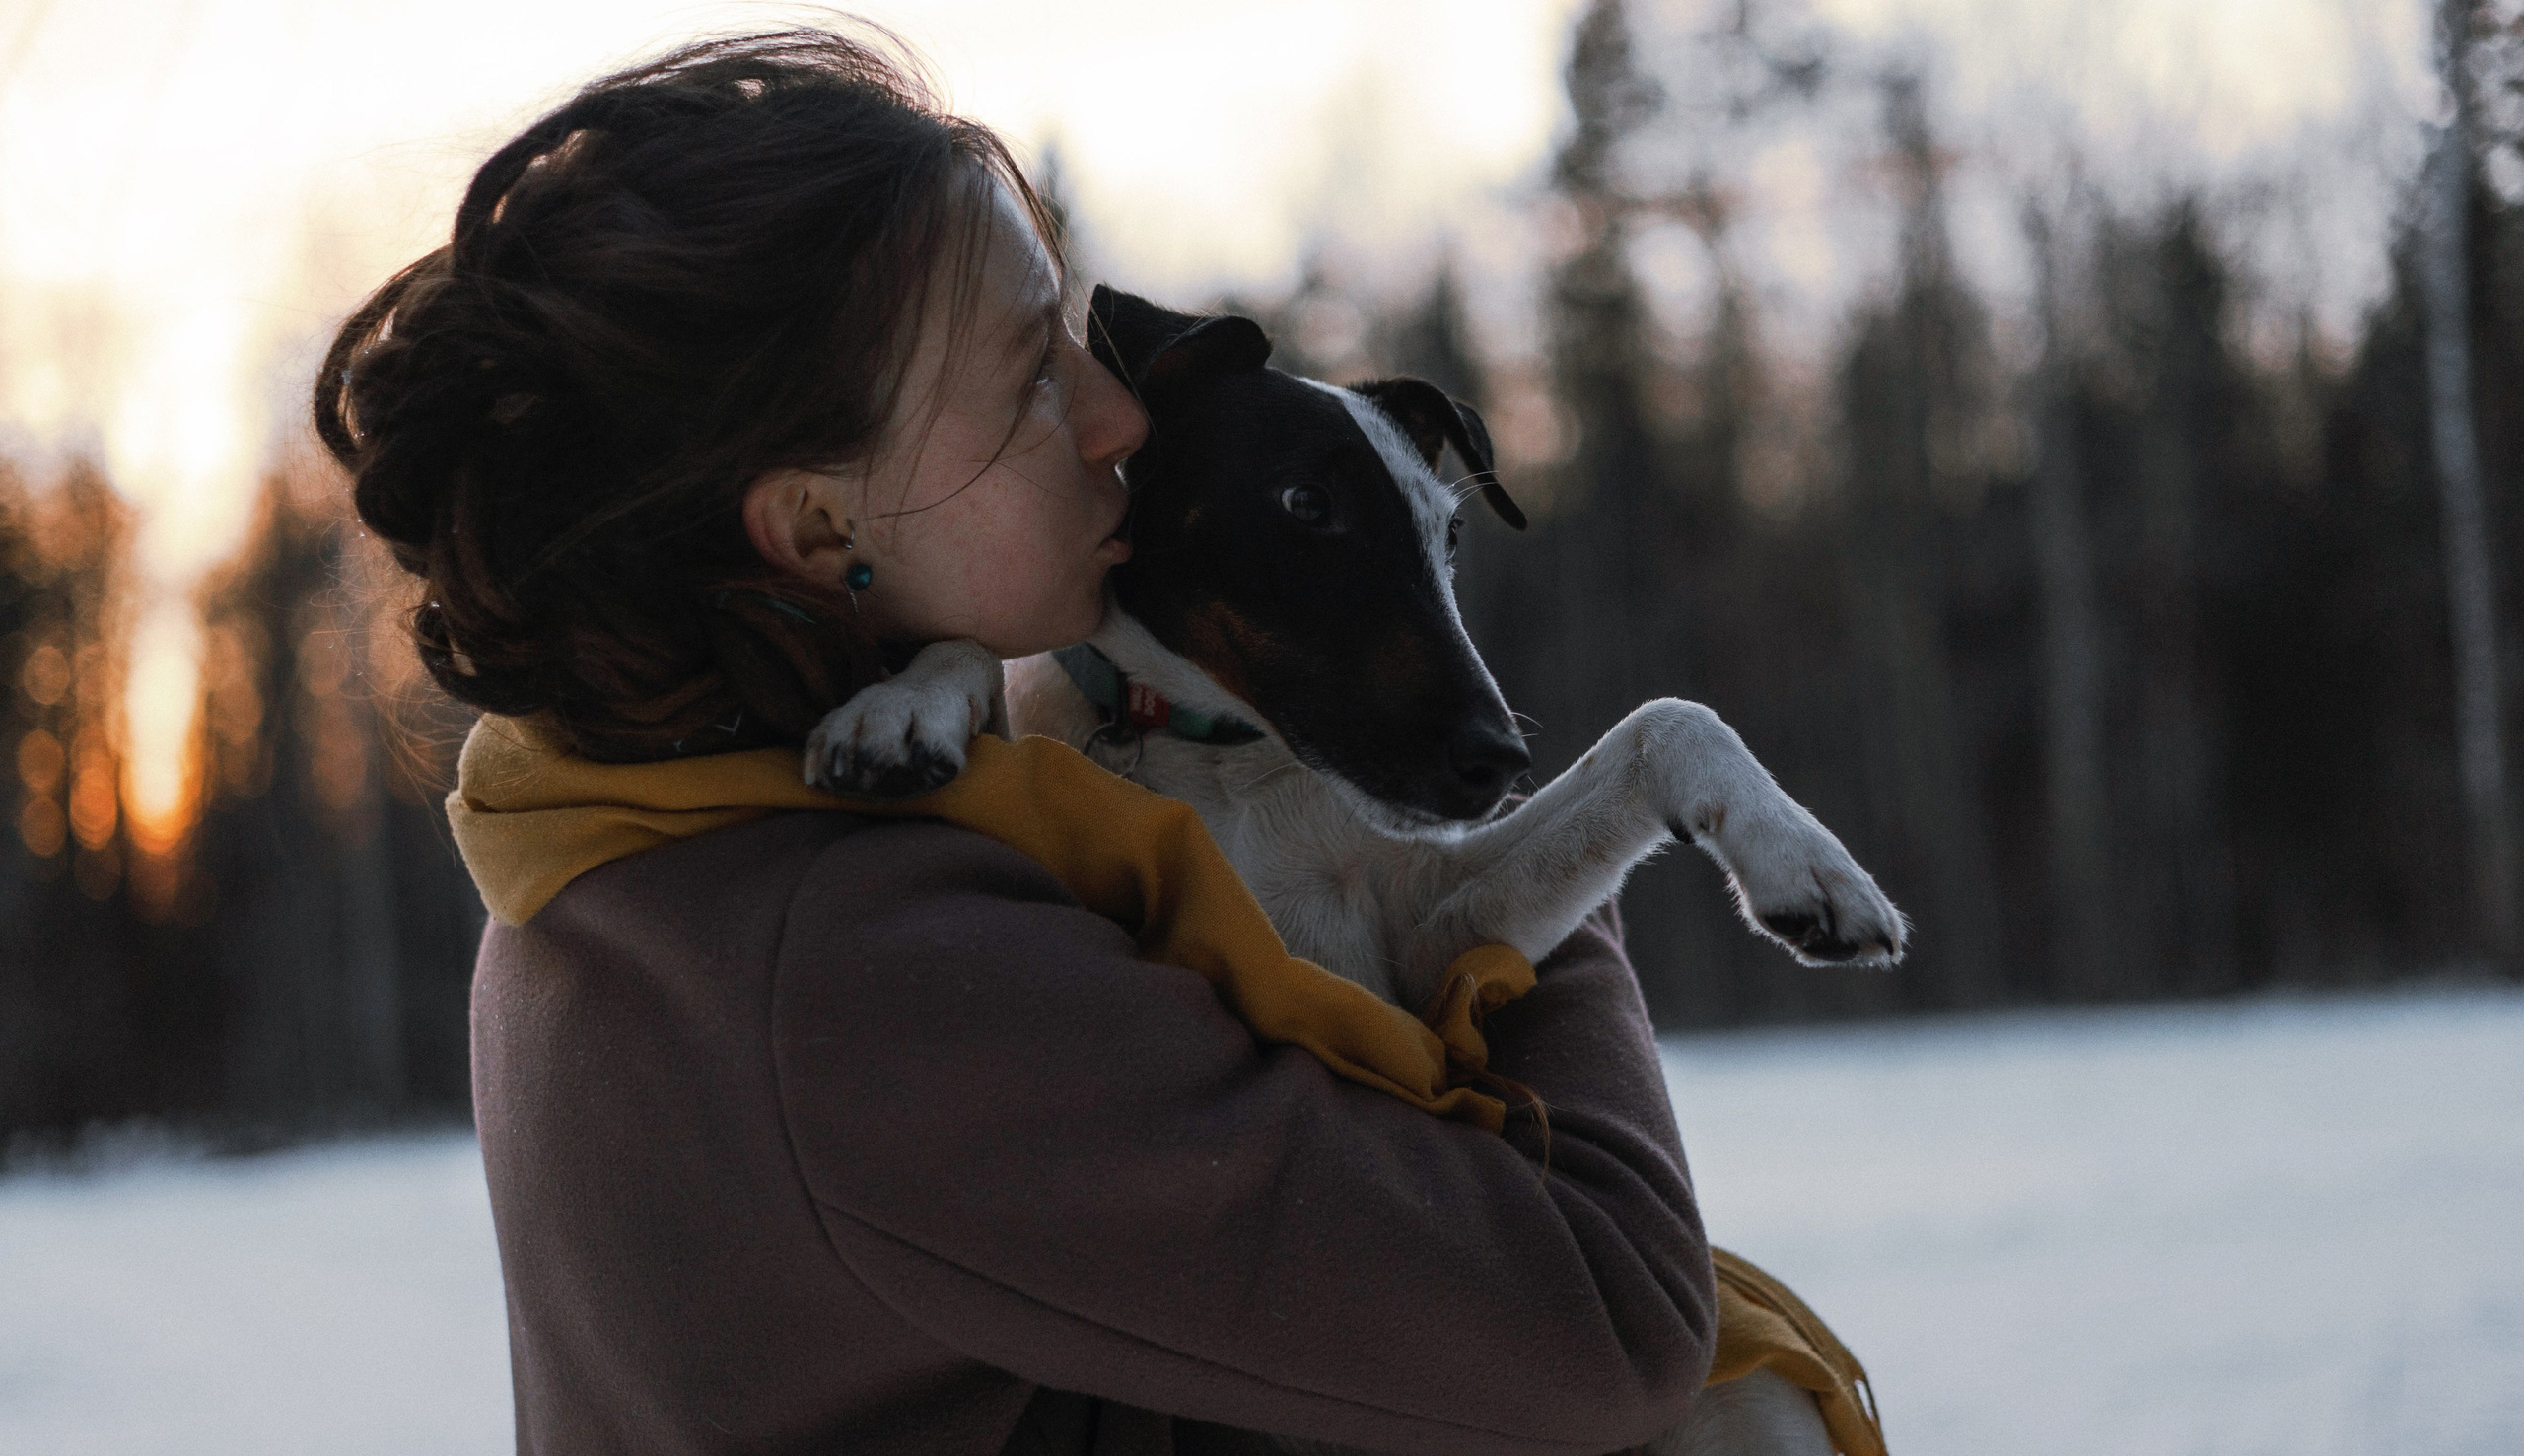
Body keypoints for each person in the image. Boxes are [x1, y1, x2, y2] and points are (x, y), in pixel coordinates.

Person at [316, 29, 1722, 1455]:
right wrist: (1507, 856)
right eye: (1029, 376)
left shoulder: (620, 846)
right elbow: (1610, 1323)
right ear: (818, 525)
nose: (1117, 414)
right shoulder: (876, 978)